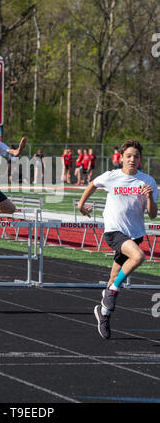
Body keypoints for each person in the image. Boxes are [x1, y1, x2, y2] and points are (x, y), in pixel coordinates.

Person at [77, 139, 158, 339]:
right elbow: (92, 184)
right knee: (138, 257)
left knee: (115, 277)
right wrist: (81, 205)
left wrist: (149, 198)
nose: (132, 159)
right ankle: (111, 292)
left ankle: (103, 313)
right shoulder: (111, 176)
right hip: (114, 232)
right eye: (129, 156)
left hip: (135, 234)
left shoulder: (147, 181)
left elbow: (153, 215)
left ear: (140, 159)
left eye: (136, 156)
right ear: (121, 157)